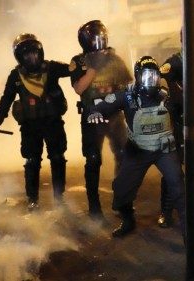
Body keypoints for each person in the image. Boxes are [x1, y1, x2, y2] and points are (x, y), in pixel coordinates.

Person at [86, 56, 185, 238]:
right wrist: (95, 113)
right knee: (121, 188)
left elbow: (187, 109)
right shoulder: (127, 96)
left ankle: (187, 231)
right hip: (138, 150)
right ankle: (128, 220)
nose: (151, 81)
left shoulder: (168, 94)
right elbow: (102, 106)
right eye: (147, 77)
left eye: (154, 77)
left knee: (178, 186)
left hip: (164, 149)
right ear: (138, 77)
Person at [0, 33, 69, 211]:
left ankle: (59, 197)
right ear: (20, 57)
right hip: (30, 126)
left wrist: (82, 64)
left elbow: (71, 69)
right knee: (32, 161)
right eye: (26, 55)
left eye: (34, 53)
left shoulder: (52, 68)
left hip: (53, 122)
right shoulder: (15, 76)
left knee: (58, 158)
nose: (31, 57)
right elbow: (6, 99)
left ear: (40, 52)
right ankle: (32, 199)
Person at [70, 20, 132, 219]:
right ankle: (94, 207)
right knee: (93, 160)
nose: (99, 42)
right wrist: (93, 68)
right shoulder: (78, 61)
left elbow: (128, 84)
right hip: (91, 116)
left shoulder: (114, 59)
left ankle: (122, 202)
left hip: (114, 115)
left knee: (123, 156)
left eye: (101, 38)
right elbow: (79, 88)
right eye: (95, 39)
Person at [158, 30, 184, 227]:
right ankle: (166, 211)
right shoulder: (175, 61)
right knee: (172, 169)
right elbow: (159, 75)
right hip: (179, 119)